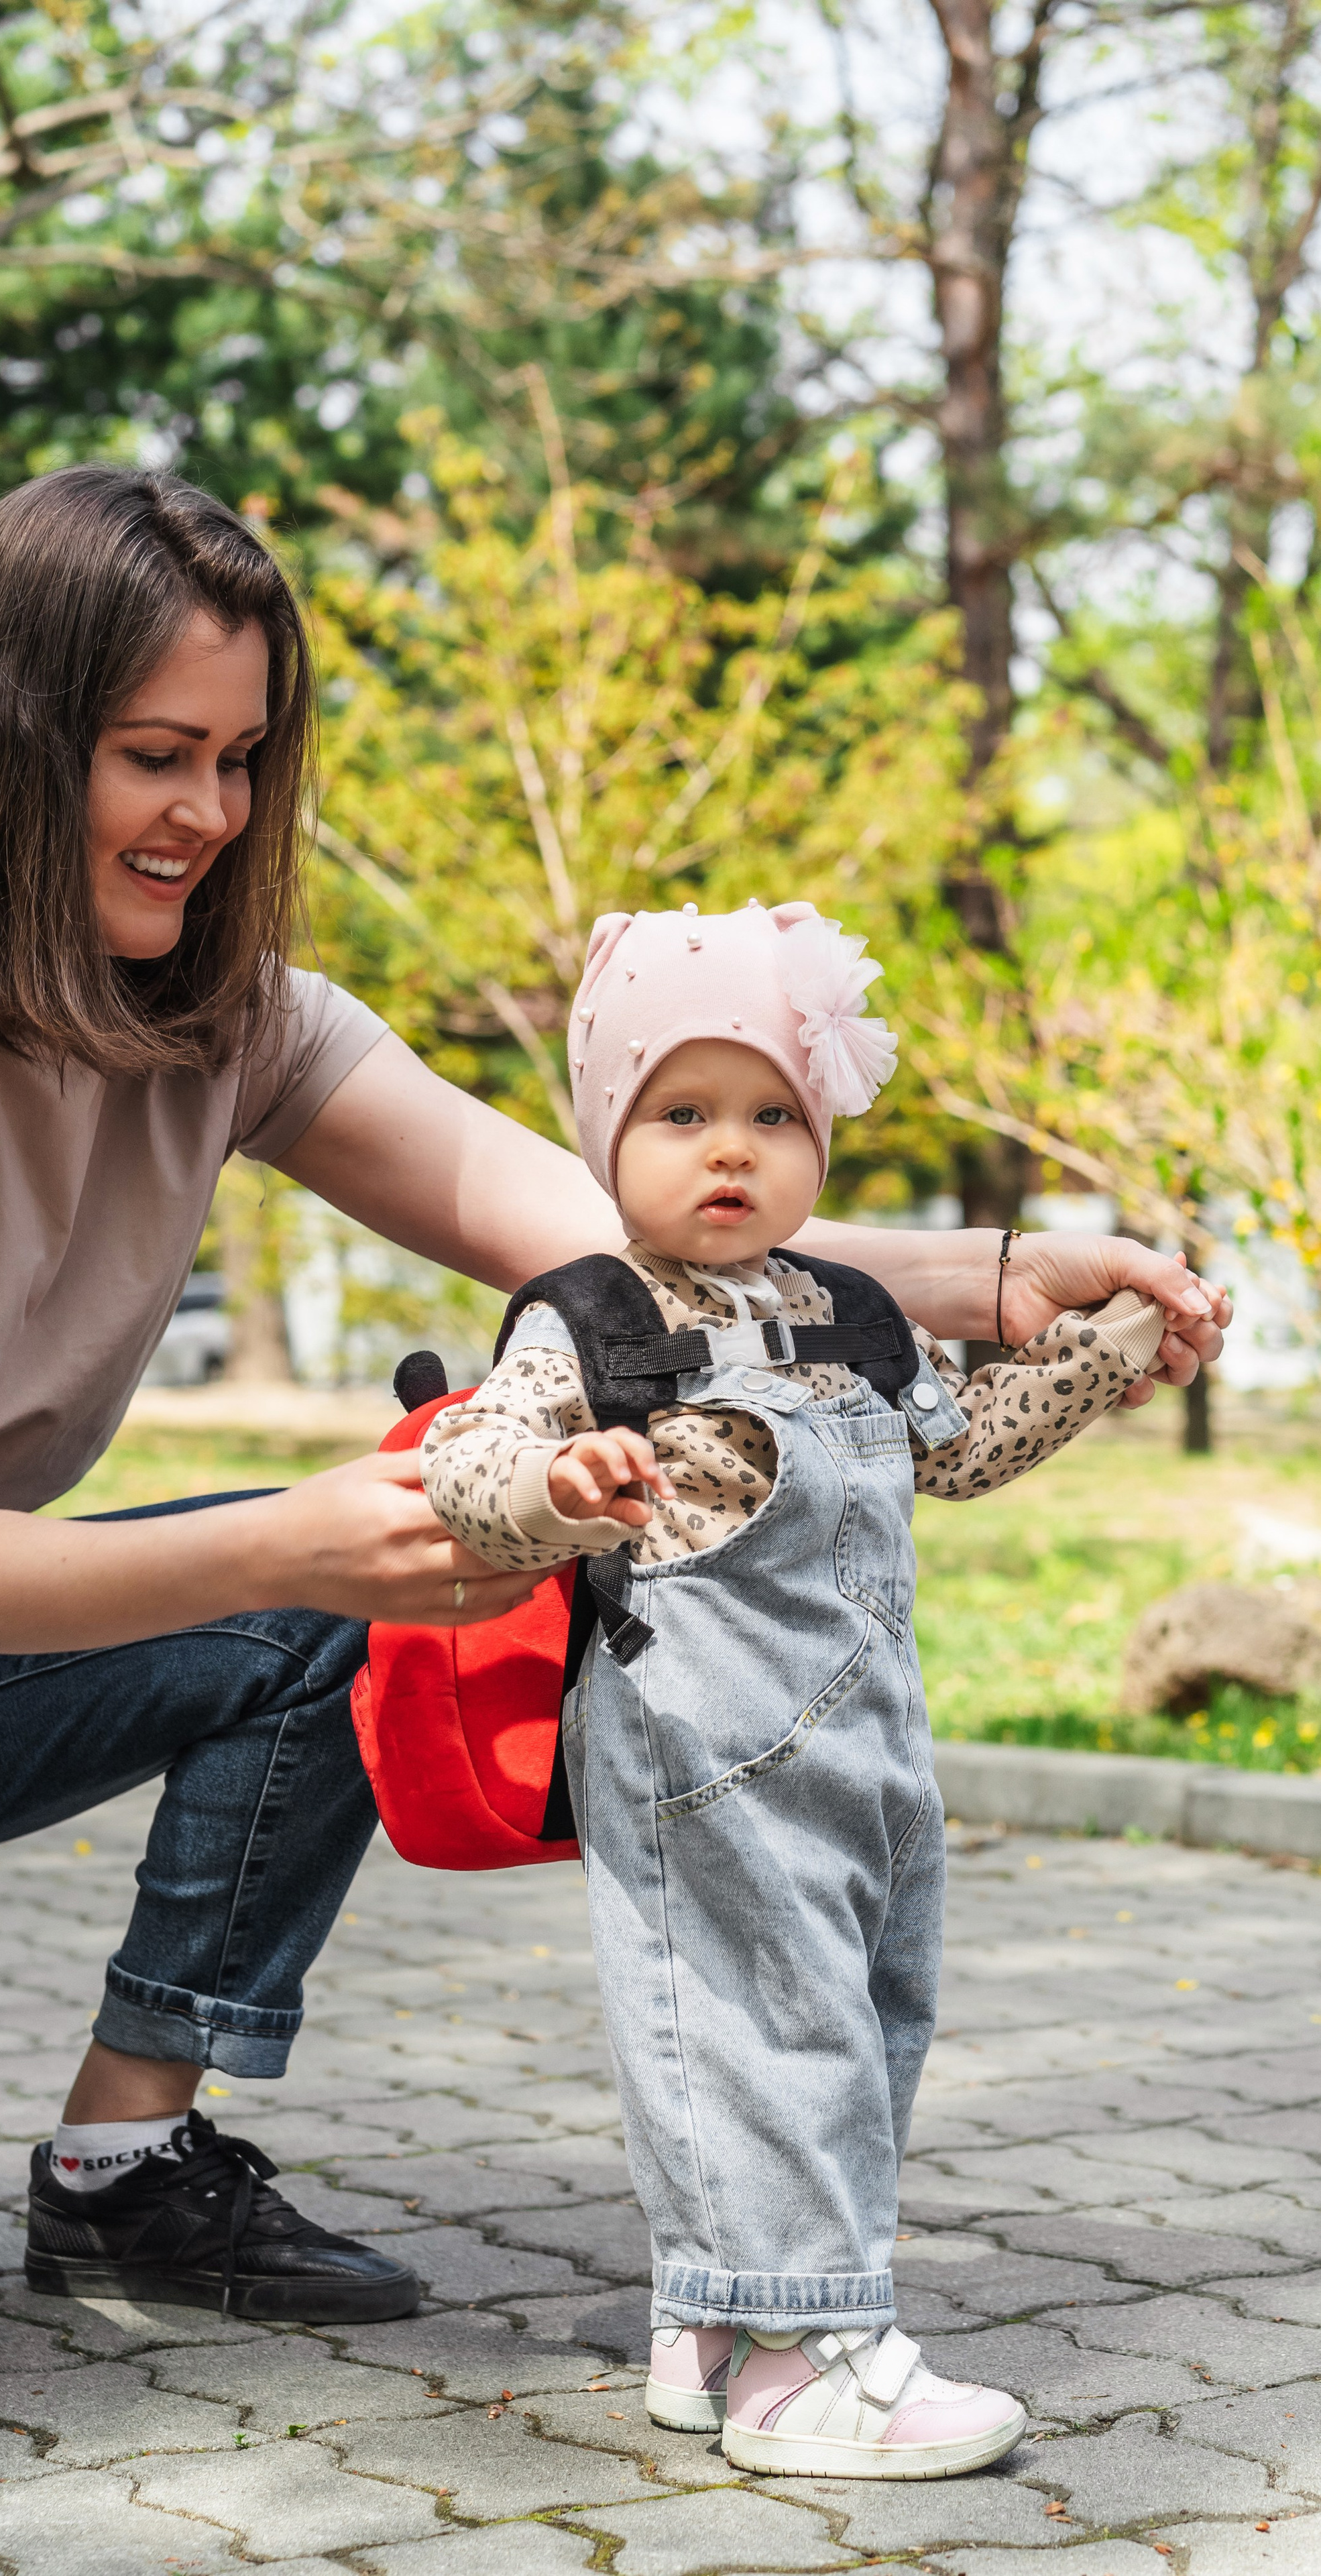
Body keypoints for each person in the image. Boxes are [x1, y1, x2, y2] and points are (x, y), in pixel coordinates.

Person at [0, 469, 1224, 2373]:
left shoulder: (216, 1011)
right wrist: (299, 1532)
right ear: (3, 738)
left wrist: (984, 1276)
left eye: (241, 758)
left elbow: (597, 1224)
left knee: (384, 1587)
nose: (209, 814)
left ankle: (126, 2163)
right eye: (155, 756)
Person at [421, 898, 1200, 2480]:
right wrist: (559, 1484)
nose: (734, 1149)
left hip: (863, 1747)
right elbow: (465, 1461)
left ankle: (710, 2315)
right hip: (691, 1740)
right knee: (770, 2025)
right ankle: (804, 2359)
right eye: (682, 1112)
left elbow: (959, 1444)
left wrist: (1110, 1353)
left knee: (863, 2011)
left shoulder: (845, 1312)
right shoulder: (588, 1322)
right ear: (604, 1136)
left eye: (774, 1113)